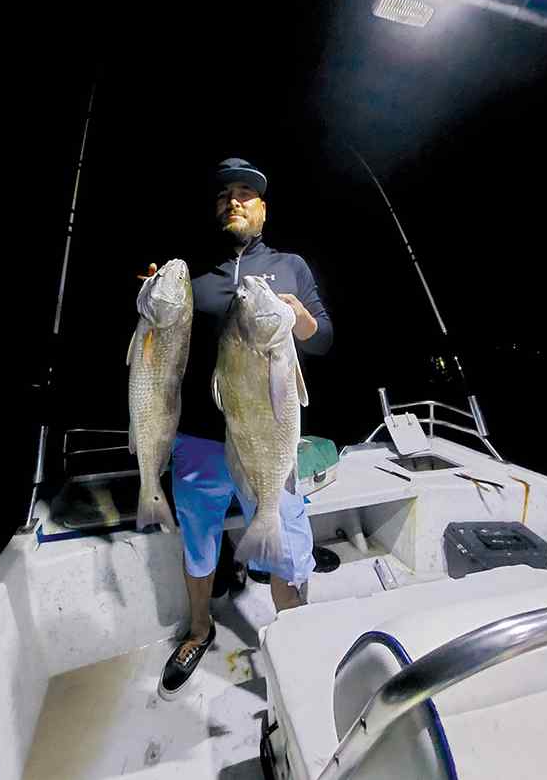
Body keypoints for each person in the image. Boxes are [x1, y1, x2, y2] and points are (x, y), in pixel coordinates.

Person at [158, 157, 333, 700]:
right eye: (225, 195)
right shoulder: (192, 273)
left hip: (269, 434)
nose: (234, 201)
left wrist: (302, 319)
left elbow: (322, 337)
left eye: (246, 194)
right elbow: (165, 344)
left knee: (285, 538)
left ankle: (295, 637)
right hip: (201, 439)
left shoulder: (291, 265)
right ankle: (199, 629)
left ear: (263, 209)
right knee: (198, 535)